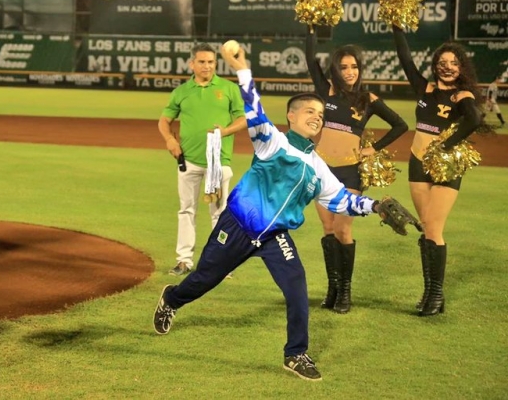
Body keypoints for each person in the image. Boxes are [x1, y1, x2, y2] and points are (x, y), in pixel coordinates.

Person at [153, 43, 396, 382]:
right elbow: (253, 108)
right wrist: (242, 69)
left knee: (296, 287)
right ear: (291, 117)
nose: (317, 117)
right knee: (204, 279)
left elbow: (341, 200)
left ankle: (295, 354)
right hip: (238, 226)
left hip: (274, 237)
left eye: (320, 114)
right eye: (309, 111)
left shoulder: (318, 166)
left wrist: (376, 206)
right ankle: (172, 299)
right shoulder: (271, 141)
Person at [304, 31, 408, 313]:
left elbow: (400, 125)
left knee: (343, 228)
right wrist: (311, 28)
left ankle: (346, 292)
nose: (349, 72)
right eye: (343, 67)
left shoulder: (367, 98)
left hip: (351, 172)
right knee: (328, 229)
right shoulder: (325, 90)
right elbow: (310, 58)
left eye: (354, 67)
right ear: (335, 70)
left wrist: (373, 148)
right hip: (322, 171)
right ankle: (333, 288)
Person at [392, 26, 490, 316]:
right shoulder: (424, 89)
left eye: (454, 63)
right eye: (442, 62)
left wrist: (447, 145)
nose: (448, 67)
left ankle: (435, 295)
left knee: (434, 227)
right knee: (426, 226)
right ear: (435, 66)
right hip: (417, 162)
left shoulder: (462, 95)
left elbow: (475, 119)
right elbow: (405, 59)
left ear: (461, 68)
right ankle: (430, 293)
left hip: (446, 165)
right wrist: (396, 25)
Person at [158, 43, 246, 276]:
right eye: (202, 62)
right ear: (192, 64)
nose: (207, 66)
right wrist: (170, 139)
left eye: (211, 62)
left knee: (219, 214)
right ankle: (184, 261)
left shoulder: (228, 88)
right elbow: (164, 120)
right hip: (188, 161)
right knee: (186, 210)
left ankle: (220, 263)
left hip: (218, 162)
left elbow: (243, 119)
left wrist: (225, 131)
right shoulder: (182, 91)